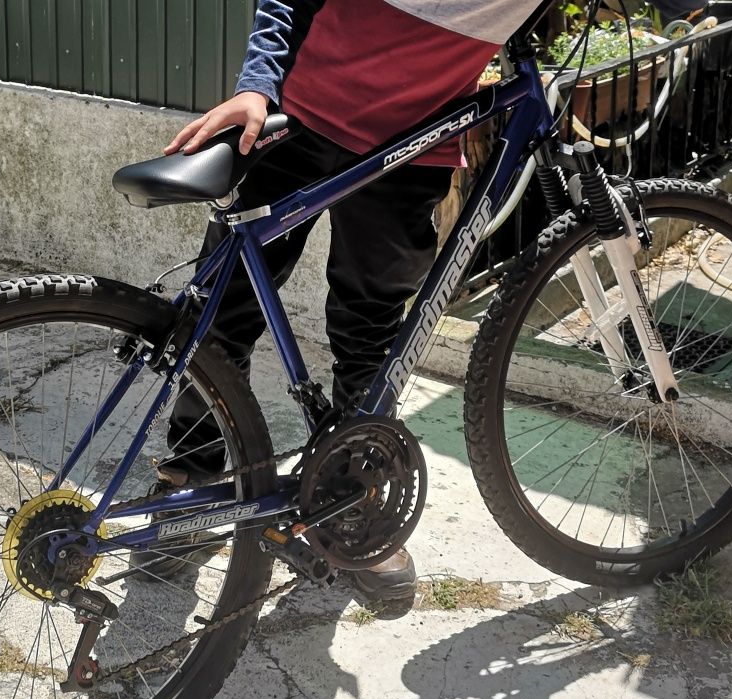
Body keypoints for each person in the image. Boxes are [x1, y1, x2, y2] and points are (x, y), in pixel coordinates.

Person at [155, 0, 689, 603]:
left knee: (371, 334)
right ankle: (192, 477)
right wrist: (258, 83)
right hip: (296, 118)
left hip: (418, 144)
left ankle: (350, 500)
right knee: (219, 315)